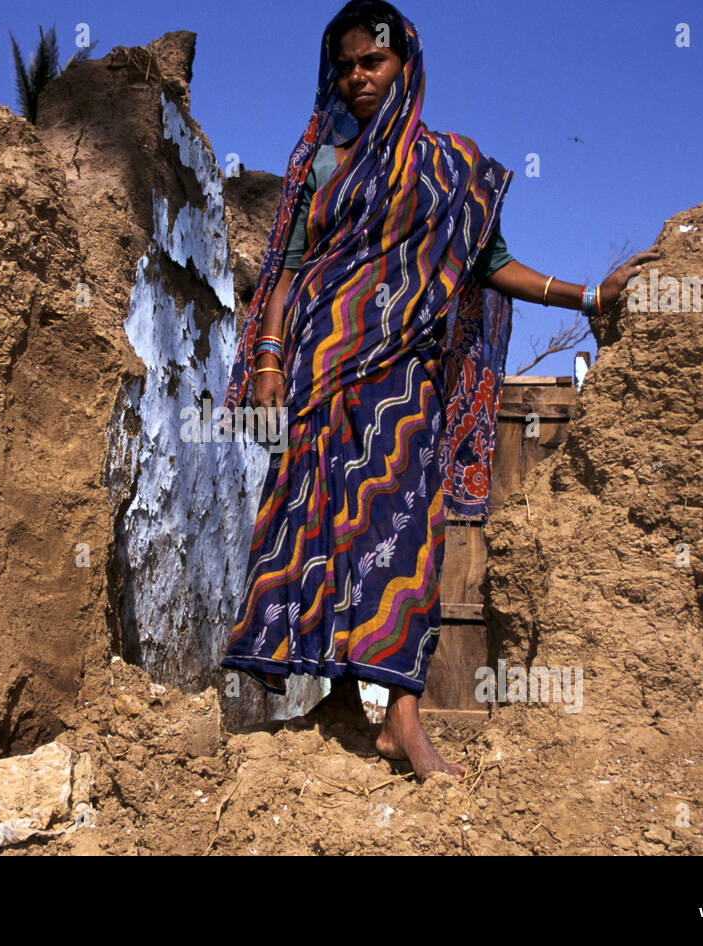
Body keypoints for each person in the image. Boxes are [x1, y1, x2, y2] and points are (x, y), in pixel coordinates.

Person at [220, 0, 659, 781]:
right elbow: (286, 272)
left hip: (401, 379)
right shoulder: (319, 162)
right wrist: (267, 362)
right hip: (317, 370)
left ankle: (404, 719)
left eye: (373, 62)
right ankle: (339, 702)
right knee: (316, 529)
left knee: (401, 532)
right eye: (346, 64)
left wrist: (588, 295)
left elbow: (491, 264)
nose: (357, 78)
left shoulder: (451, 168)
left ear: (405, 65)